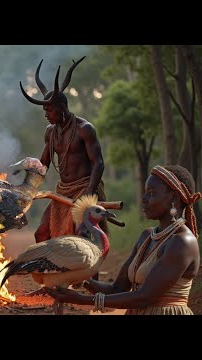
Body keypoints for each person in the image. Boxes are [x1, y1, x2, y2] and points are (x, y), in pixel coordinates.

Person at [45, 165, 201, 315]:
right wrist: (76, 279)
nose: (144, 199)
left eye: (151, 193)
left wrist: (82, 299)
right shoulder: (146, 236)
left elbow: (144, 297)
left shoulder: (182, 242)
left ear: (174, 197)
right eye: (145, 193)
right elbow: (118, 289)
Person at [20, 57, 107, 244]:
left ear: (62, 107)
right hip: (63, 191)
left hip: (85, 187)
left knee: (83, 233)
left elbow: (98, 163)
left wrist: (89, 193)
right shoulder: (51, 132)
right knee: (41, 234)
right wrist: (26, 186)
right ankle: (50, 271)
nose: (46, 114)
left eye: (49, 110)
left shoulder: (84, 129)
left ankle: (91, 274)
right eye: (44, 111)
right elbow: (43, 165)